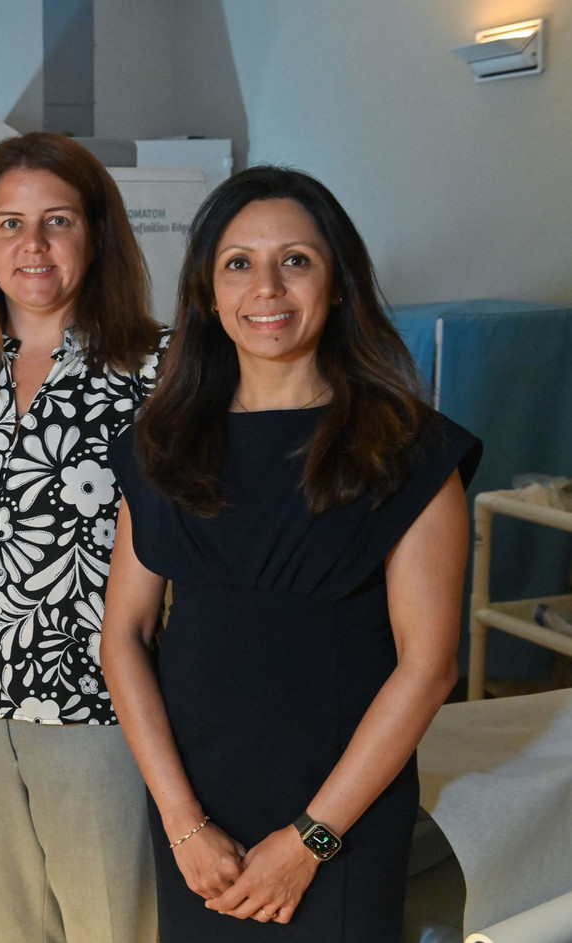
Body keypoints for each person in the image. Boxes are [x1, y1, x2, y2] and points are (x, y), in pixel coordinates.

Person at [100, 165, 482, 941]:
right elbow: (125, 635)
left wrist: (311, 838)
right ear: (209, 293)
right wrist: (182, 821)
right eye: (238, 263)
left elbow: (429, 666)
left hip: (342, 812)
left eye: (296, 261)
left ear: (337, 283)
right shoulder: (160, 446)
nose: (266, 287)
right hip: (196, 811)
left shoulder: (409, 450)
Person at [0, 131, 168, 942]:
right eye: (9, 223)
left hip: (101, 710)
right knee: (8, 925)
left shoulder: (155, 370)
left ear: (96, 233)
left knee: (110, 924)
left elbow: (186, 559)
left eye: (56, 220)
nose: (33, 244)